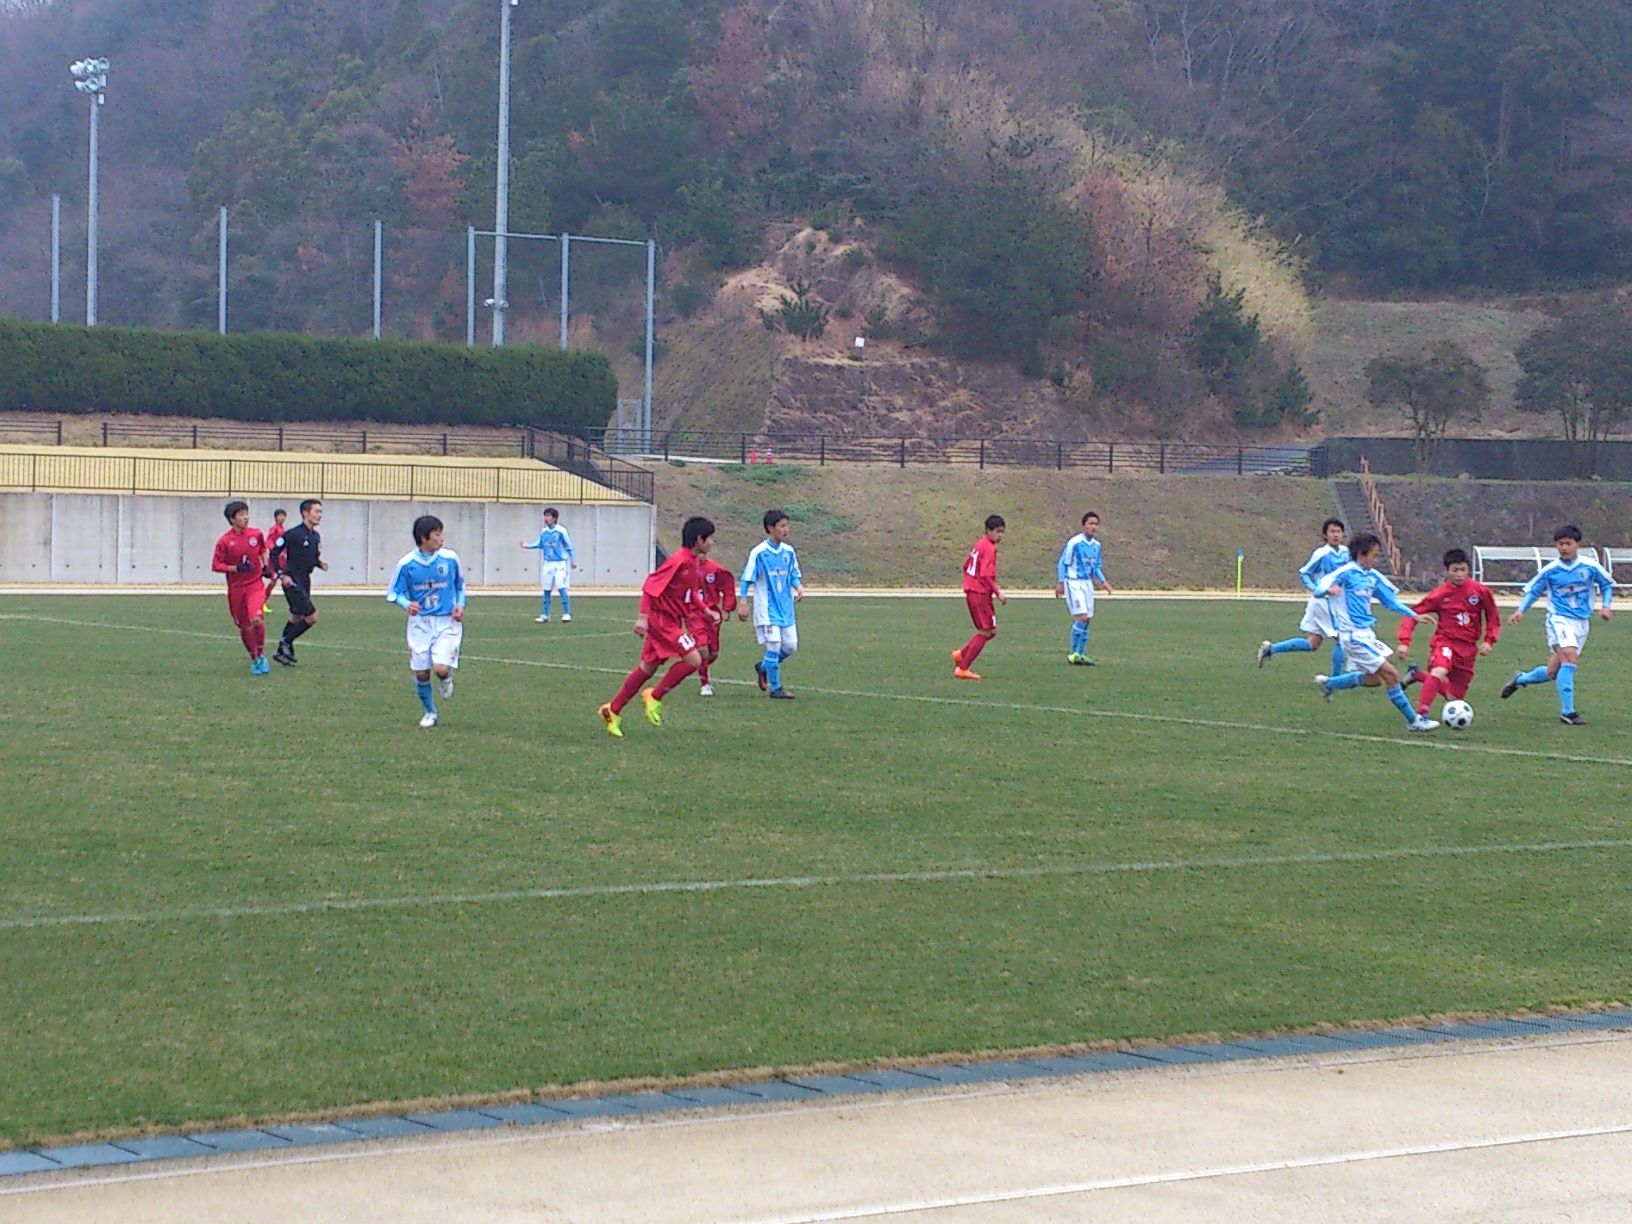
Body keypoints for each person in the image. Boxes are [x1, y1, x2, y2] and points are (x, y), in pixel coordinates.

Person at [599, 517, 719, 737]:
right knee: (695, 660)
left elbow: (690, 593)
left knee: (647, 668)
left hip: (671, 620)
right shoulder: (678, 560)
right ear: (698, 539)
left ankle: (612, 710)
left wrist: (706, 610)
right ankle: (654, 696)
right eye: (709, 538)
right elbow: (650, 586)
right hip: (661, 621)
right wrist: (642, 617)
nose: (712, 542)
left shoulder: (692, 562)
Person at [1311, 533, 1437, 731]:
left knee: (1374, 680)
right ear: (1362, 554)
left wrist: (1414, 615)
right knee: (1392, 675)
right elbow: (1318, 588)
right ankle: (1415, 721)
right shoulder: (1345, 572)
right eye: (1375, 555)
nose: (1377, 560)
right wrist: (1328, 590)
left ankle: (1330, 684)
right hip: (1352, 636)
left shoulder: (1372, 576)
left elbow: (1390, 601)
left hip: (1367, 635)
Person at [1500, 525, 1614, 725]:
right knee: (1569, 659)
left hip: (1581, 623)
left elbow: (1606, 585)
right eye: (1560, 544)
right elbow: (1534, 591)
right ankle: (1568, 713)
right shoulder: (1550, 570)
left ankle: (1520, 680)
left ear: (1577, 544)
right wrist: (1520, 610)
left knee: (1553, 671)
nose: (1564, 548)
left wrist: (1605, 606)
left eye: (1568, 544)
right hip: (1558, 619)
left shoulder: (1590, 566)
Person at [1396, 548, 1501, 719]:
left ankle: (1417, 675)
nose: (1459, 574)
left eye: (1463, 570)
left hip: (1468, 649)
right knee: (1439, 671)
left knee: (1454, 698)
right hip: (1445, 642)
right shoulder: (1440, 594)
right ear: (1447, 571)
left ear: (1468, 569)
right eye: (1455, 570)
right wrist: (1404, 641)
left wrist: (1489, 640)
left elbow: (1493, 616)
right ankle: (1421, 716)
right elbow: (1413, 614)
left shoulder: (1480, 592)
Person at [386, 515, 466, 729]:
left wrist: (460, 604)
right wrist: (406, 604)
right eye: (437, 534)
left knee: (439, 668)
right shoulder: (406, 564)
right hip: (420, 624)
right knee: (421, 672)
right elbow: (394, 592)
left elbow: (460, 585)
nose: (441, 539)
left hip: (447, 622)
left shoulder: (450, 558)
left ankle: (446, 677)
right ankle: (430, 712)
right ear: (424, 538)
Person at [1257, 519, 1348, 674]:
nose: (1336, 535)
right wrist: (1315, 588)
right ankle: (1335, 680)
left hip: (1331, 603)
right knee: (1343, 638)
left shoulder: (1346, 552)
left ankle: (1270, 649)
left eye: (1338, 531)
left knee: (1313, 643)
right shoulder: (1322, 554)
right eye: (1332, 532)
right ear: (1325, 535)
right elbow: (1305, 573)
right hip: (1324, 602)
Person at [740, 510, 804, 699]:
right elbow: (746, 578)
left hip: (785, 606)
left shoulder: (789, 551)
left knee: (790, 646)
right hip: (766, 608)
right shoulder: (758, 552)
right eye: (782, 526)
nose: (786, 530)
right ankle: (776, 688)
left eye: (787, 525)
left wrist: (798, 586)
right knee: (774, 645)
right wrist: (743, 602)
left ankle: (763, 666)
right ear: (770, 528)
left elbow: (793, 574)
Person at [211, 500, 271, 675]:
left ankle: (261, 653)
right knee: (244, 627)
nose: (246, 517)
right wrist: (235, 569)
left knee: (256, 619)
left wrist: (266, 565)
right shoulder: (224, 541)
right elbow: (216, 565)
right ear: (232, 519)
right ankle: (254, 659)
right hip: (236, 589)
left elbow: (263, 549)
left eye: (247, 513)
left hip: (255, 585)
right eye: (241, 515)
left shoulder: (256, 534)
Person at [271, 498, 328, 667]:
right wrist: (282, 575)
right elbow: (274, 553)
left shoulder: (315, 536)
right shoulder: (293, 534)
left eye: (320, 512)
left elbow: (312, 557)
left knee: (296, 617)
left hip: (305, 579)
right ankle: (285, 643)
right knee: (311, 617)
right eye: (316, 511)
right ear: (305, 512)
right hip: (292, 579)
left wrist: (320, 563)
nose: (319, 515)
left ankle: (282, 653)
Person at [1054, 511, 1114, 664]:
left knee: (1087, 619)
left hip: (1087, 583)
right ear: (1084, 525)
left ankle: (1081, 654)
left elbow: (1096, 567)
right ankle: (1073, 653)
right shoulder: (1075, 542)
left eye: (1096, 524)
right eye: (1090, 523)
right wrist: (1060, 582)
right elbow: (1063, 562)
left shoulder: (1096, 546)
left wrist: (1104, 582)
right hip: (1073, 582)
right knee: (1081, 617)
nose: (1093, 527)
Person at [954, 515, 1007, 680]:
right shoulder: (989, 548)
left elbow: (966, 566)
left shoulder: (980, 544)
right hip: (979, 593)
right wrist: (998, 592)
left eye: (1002, 532)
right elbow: (984, 574)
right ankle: (963, 668)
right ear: (988, 531)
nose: (1000, 536)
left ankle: (961, 654)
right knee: (986, 631)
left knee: (991, 630)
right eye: (997, 532)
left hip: (974, 591)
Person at [519, 507, 576, 623]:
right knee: (546, 589)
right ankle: (546, 615)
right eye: (545, 516)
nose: (546, 518)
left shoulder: (561, 531)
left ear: (554, 518)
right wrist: (528, 545)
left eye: (549, 516)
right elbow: (540, 544)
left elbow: (569, 546)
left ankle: (566, 613)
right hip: (548, 563)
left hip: (560, 563)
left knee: (561, 587)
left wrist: (573, 560)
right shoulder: (544, 531)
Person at [696, 551, 740, 696]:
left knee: (712, 653)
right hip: (694, 615)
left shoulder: (714, 569)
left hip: (713, 616)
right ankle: (705, 685)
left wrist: (727, 608)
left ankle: (700, 665)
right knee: (702, 649)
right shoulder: (685, 568)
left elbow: (728, 587)